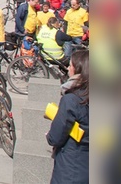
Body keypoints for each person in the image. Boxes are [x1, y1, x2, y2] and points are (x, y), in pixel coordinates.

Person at [47, 49, 89, 184]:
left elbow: (56, 137)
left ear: (77, 69)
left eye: (70, 65)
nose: (68, 68)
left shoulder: (71, 99)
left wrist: (49, 135)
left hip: (71, 166)